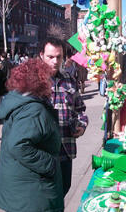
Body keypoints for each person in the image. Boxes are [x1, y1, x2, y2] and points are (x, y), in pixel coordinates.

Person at [0, 59, 64, 212]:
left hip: (20, 186)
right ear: (38, 81)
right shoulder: (32, 109)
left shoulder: (18, 99)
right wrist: (49, 164)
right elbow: (18, 146)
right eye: (47, 78)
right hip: (31, 192)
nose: (50, 82)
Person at [40, 37, 89, 197]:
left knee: (63, 190)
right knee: (44, 197)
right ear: (42, 55)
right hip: (42, 154)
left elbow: (80, 110)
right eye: (50, 57)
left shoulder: (69, 80)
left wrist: (81, 126)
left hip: (65, 150)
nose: (55, 61)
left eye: (58, 57)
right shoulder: (33, 82)